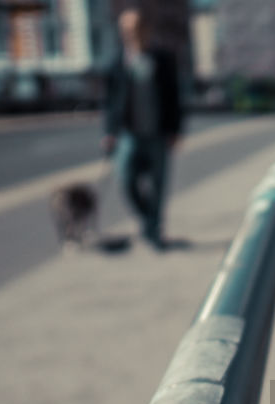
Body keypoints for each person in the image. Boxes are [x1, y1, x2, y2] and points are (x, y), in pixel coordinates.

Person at [102, 7, 183, 250]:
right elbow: (110, 102)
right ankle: (148, 219)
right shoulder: (117, 61)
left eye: (136, 27)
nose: (131, 33)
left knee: (158, 185)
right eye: (126, 29)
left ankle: (154, 232)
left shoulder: (162, 58)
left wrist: (175, 130)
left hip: (158, 133)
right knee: (126, 179)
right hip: (128, 134)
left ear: (146, 29)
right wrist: (109, 132)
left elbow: (174, 97)